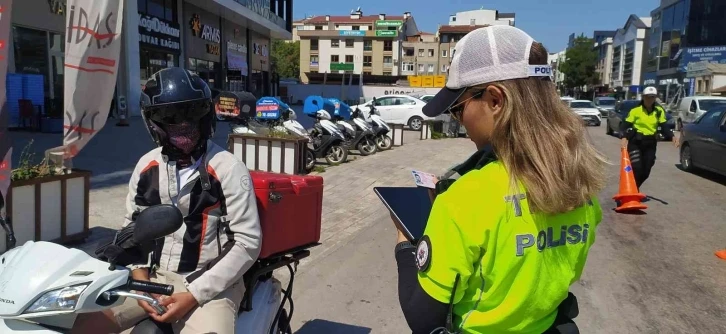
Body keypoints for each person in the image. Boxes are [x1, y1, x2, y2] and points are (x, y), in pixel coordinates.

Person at [393, 26, 607, 334]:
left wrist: (404, 243)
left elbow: (423, 320)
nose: (460, 122)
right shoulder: (580, 181)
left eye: (458, 109)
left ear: (495, 100)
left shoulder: (466, 197)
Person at [72, 68, 262, 334]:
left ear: (205, 115)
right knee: (83, 326)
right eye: (170, 117)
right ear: (153, 123)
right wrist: (140, 280)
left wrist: (194, 294)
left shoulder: (228, 168)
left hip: (212, 283)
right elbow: (132, 231)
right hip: (153, 279)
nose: (183, 124)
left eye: (191, 114)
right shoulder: (147, 167)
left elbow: (247, 242)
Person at [620, 86, 676, 190]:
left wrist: (672, 136)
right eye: (648, 97)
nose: (650, 100)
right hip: (636, 142)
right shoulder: (635, 110)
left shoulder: (659, 111)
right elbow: (624, 125)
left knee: (646, 171)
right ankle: (630, 191)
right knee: (637, 168)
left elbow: (664, 126)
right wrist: (623, 137)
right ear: (643, 97)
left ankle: (633, 190)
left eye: (652, 97)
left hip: (650, 143)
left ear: (655, 98)